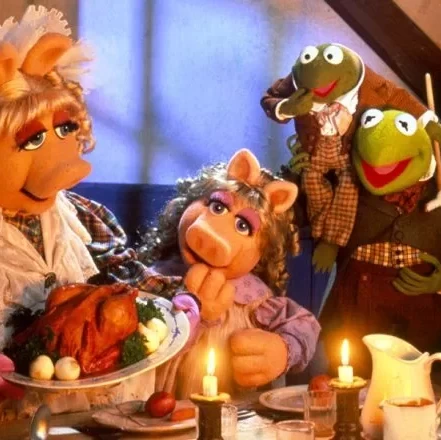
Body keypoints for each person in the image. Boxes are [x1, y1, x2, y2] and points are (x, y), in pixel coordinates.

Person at [0, 5, 197, 419]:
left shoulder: (83, 215)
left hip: (106, 410)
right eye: (32, 140)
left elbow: (125, 277)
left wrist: (177, 300)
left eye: (65, 129)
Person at [138, 149, 321, 398]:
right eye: (217, 206)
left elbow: (304, 325)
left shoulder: (254, 297)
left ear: (264, 250)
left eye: (243, 226)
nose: (213, 234)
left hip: (236, 411)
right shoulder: (156, 279)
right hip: (157, 407)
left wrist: (282, 350)